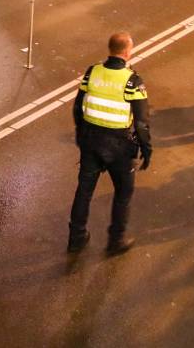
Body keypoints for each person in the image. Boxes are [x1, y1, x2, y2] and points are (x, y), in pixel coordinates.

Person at [68, 32, 152, 255]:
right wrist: (146, 149)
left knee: (84, 192)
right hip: (120, 147)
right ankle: (116, 240)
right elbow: (142, 122)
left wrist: (81, 136)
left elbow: (77, 108)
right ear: (127, 52)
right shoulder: (133, 81)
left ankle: (76, 238)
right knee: (124, 192)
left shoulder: (92, 72)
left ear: (110, 50)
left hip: (91, 142)